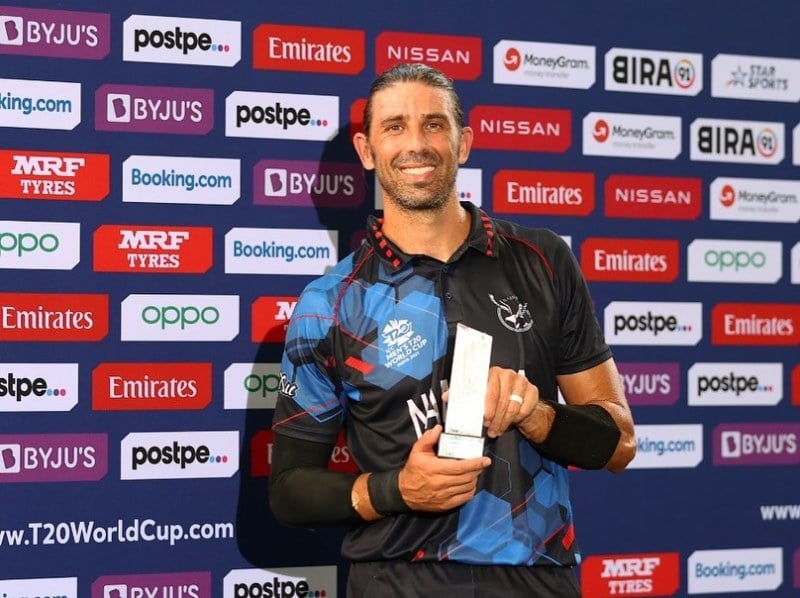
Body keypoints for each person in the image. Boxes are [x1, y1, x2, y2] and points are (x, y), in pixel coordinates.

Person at [269, 62, 636, 597]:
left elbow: (619, 442)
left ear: (463, 142)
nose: (415, 143)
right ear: (367, 151)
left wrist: (536, 416)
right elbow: (289, 490)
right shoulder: (329, 302)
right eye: (394, 127)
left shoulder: (543, 260)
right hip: (396, 578)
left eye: (433, 125)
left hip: (536, 575)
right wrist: (398, 490)